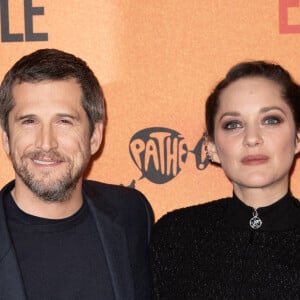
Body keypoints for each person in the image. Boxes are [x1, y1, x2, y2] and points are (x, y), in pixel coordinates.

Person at [0, 48, 153, 300]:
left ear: (95, 136)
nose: (46, 143)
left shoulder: (132, 214)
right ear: (6, 137)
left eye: (64, 121)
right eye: (29, 121)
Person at [150, 61, 300, 299]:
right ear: (212, 148)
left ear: (298, 138)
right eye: (233, 124)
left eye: (270, 120)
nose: (252, 138)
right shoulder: (175, 236)